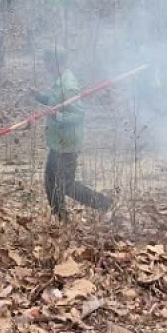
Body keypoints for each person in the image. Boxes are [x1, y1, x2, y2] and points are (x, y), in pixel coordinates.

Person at [35, 49, 112, 219]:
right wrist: (39, 96)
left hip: (68, 144)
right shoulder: (60, 82)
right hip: (58, 142)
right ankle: (60, 218)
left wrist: (57, 116)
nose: (45, 67)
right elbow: (56, 101)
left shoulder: (68, 86)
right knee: (50, 181)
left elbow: (78, 115)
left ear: (55, 63)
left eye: (47, 63)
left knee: (66, 185)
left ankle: (104, 204)